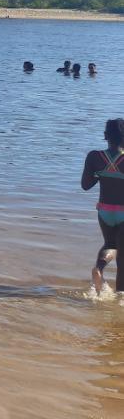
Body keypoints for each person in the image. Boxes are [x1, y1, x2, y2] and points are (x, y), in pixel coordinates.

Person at [83, 118, 124, 295]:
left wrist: (102, 174)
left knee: (110, 243)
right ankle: (121, 297)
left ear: (105, 136)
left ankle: (99, 269)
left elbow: (86, 185)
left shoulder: (94, 156)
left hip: (104, 210)